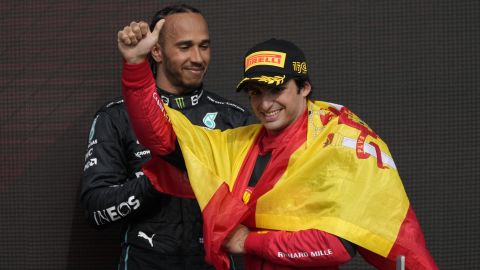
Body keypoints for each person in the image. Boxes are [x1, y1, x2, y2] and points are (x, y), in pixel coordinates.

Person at [118, 18, 438, 270]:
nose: (265, 103)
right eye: (256, 92)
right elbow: (161, 139)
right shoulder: (241, 144)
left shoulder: (338, 143)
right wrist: (136, 66)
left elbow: (337, 246)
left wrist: (249, 242)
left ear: (304, 87)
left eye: (276, 89)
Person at [80, 4, 253, 270]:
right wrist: (157, 181)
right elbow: (95, 211)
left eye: (204, 46)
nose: (198, 57)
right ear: (157, 51)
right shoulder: (115, 117)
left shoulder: (234, 119)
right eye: (185, 47)